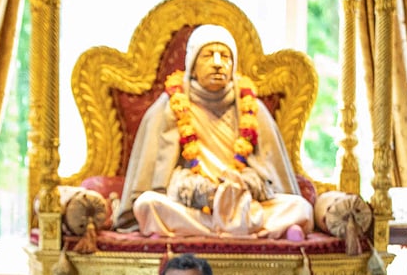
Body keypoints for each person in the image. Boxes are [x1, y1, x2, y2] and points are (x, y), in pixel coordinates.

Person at [114, 24, 313, 239]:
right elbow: (160, 178)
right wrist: (195, 189)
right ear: (192, 65)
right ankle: (254, 232)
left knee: (300, 207)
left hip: (245, 203)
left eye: (225, 56)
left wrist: (246, 183)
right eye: (208, 55)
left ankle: (182, 231)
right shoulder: (169, 106)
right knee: (148, 205)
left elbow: (271, 176)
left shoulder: (252, 107)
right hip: (196, 206)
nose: (218, 64)